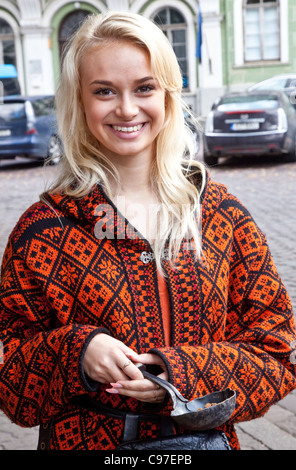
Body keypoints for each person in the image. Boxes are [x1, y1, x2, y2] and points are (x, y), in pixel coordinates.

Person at [0, 11, 295, 451]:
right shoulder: (41, 231)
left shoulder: (223, 217)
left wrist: (178, 375)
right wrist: (75, 351)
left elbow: (277, 353)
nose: (126, 108)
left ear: (168, 95)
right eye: (104, 91)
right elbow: (12, 389)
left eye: (144, 87)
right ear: (80, 101)